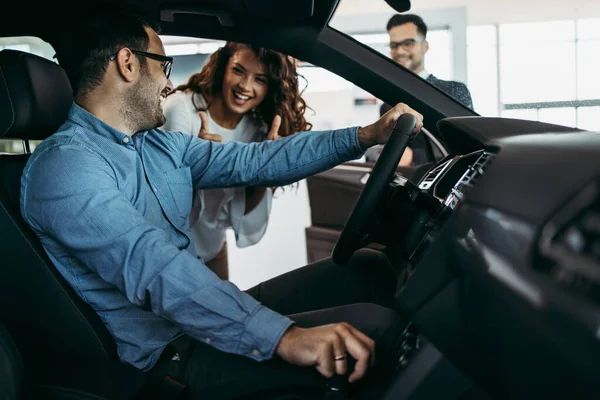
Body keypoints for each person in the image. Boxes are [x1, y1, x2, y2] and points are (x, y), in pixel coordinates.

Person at [22, 6, 423, 399]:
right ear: (128, 63)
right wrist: (284, 337)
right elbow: (152, 264)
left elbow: (258, 161)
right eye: (163, 64)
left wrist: (364, 136)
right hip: (165, 357)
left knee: (367, 269)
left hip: (190, 323)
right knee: (377, 333)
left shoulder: (159, 145)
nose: (167, 81)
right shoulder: (65, 167)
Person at [162, 42, 312, 281]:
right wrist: (200, 162)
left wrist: (266, 172)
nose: (245, 86)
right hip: (168, 255)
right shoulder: (181, 110)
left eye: (260, 79)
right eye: (238, 71)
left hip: (213, 249)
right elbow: (163, 205)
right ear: (223, 68)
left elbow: (239, 218)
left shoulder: (258, 130)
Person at [367, 14, 473, 166]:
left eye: (408, 43)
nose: (400, 51)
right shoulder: (387, 105)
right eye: (394, 45)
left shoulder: (453, 90)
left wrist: (415, 156)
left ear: (425, 46)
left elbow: (468, 148)